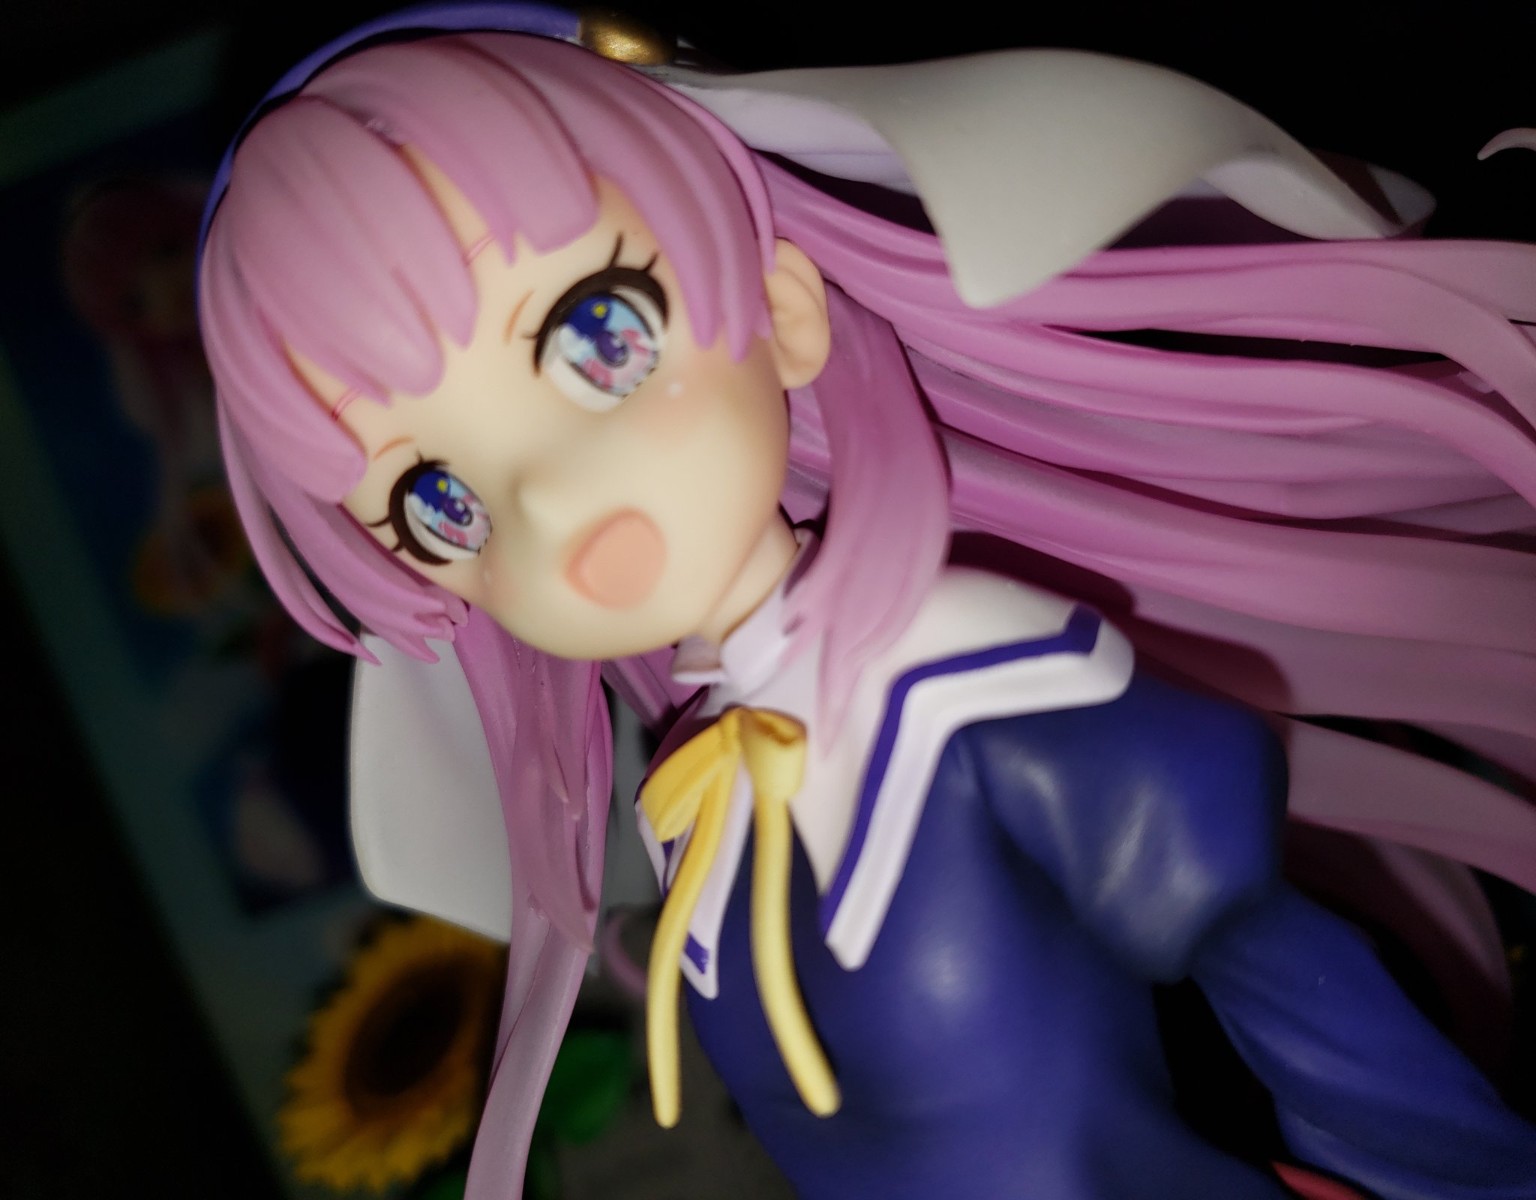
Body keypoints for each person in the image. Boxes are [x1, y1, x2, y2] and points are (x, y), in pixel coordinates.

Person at [197, 6, 1536, 1197]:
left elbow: (1274, 957)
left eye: (601, 336)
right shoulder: (689, 807)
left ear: (783, 309)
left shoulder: (960, 674)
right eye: (443, 503)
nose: (550, 506)